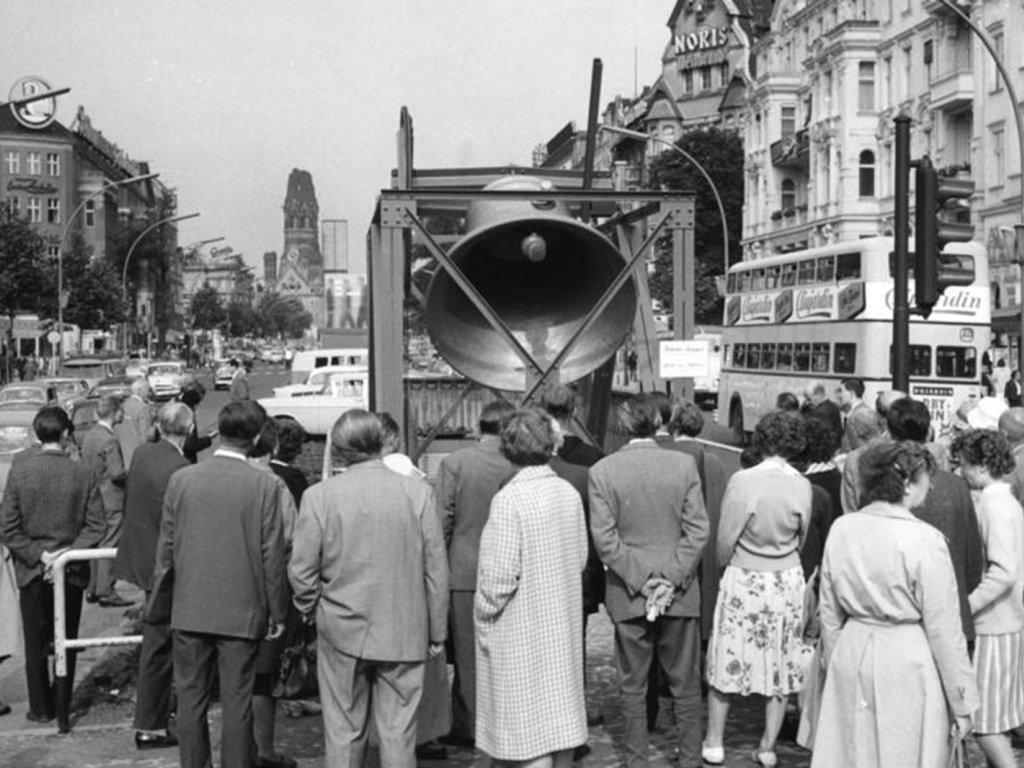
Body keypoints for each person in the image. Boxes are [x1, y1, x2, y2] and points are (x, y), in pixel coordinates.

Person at [289, 410, 448, 767]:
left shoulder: (319, 496)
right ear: (382, 442)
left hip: (341, 625)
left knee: (343, 730)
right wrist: (437, 629)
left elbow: (301, 570)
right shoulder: (418, 492)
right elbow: (436, 569)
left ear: (340, 448)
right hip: (404, 625)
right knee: (399, 733)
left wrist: (315, 610)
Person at [812, 441, 979, 767]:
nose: (929, 485)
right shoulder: (926, 540)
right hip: (906, 657)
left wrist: (836, 665)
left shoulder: (842, 528)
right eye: (924, 478)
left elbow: (829, 613)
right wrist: (962, 700)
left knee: (852, 751)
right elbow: (944, 629)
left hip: (852, 647)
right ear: (905, 483)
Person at [152, 400, 289, 768]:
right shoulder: (264, 485)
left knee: (191, 699)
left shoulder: (182, 479)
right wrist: (277, 610)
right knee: (237, 700)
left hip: (190, 605)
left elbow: (166, 548)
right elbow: (271, 554)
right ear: (258, 436)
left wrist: (162, 602)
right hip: (242, 609)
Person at [589, 394, 709, 768]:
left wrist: (643, 582)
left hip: (629, 591)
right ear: (659, 421)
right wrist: (670, 579)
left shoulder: (603, 471)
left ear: (623, 425)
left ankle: (637, 760)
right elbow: (698, 531)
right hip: (680, 589)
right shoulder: (684, 465)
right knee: (685, 685)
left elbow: (605, 541)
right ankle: (689, 758)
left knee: (632, 685)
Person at [475, 408, 588, 767]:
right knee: (560, 722)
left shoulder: (509, 500)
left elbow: (496, 580)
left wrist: (482, 615)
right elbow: (581, 556)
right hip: (562, 621)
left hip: (519, 628)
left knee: (527, 732)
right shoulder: (567, 492)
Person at [704, 410, 812, 768]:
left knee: (728, 653)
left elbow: (726, 536)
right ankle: (767, 746)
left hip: (745, 574)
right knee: (781, 657)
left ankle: (715, 741)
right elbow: (803, 534)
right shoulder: (802, 484)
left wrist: (726, 565)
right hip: (786, 578)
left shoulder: (743, 480)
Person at [0, 406, 105, 723]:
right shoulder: (82, 473)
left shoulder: (19, 471)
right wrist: (66, 553)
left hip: (31, 569)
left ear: (36, 434)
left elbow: (8, 527)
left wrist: (39, 555)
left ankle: (40, 708)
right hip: (70, 568)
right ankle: (62, 703)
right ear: (66, 435)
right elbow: (96, 525)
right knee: (67, 638)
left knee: (35, 641)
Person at [434, 399, 517, 747]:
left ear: (479, 425)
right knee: (510, 652)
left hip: (465, 570)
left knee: (469, 657)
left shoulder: (454, 463)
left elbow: (442, 522)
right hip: (512, 569)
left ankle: (470, 725)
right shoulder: (519, 464)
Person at [113, 402, 193, 750]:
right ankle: (152, 724)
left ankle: (154, 720)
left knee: (157, 645)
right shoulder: (180, 468)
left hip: (143, 560)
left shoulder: (144, 454)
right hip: (166, 569)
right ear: (188, 430)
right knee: (162, 648)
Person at [953, 429, 1024, 768]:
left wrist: (965, 607)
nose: (961, 472)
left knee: (984, 724)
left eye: (964, 465)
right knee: (998, 720)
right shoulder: (1004, 501)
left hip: (993, 626)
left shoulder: (994, 506)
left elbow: (1003, 572)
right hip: (1005, 622)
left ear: (980, 466)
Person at [247, 417, 299, 768]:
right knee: (262, 679)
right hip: (266, 594)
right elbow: (291, 541)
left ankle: (238, 751)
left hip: (221, 596)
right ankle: (261, 751)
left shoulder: (210, 479)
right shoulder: (275, 486)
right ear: (274, 448)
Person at [81, 394, 133, 608]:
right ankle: (106, 588)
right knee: (110, 542)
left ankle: (93, 587)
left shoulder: (90, 435)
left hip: (94, 495)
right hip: (111, 497)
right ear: (114, 413)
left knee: (97, 541)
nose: (123, 414)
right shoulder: (109, 439)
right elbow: (117, 473)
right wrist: (132, 472)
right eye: (121, 410)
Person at [118, 377, 155, 469]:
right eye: (147, 389)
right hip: (139, 459)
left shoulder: (123, 406)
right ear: (140, 390)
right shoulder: (143, 408)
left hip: (124, 457)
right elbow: (146, 437)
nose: (149, 393)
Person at [179, 380, 215, 464]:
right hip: (185, 461)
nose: (198, 406)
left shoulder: (174, 407)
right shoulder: (187, 414)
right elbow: (189, 445)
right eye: (198, 401)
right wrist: (208, 439)